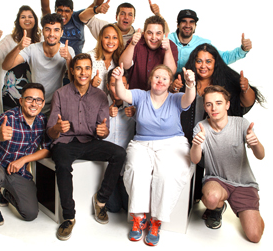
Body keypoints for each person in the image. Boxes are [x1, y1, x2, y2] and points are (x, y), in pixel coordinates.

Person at [112, 63, 196, 246]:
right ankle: (139, 217)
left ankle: (156, 221)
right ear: (150, 80)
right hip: (142, 142)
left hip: (172, 143)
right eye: (157, 77)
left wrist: (190, 84)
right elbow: (122, 94)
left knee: (166, 175)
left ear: (170, 82)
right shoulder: (141, 96)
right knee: (135, 169)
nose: (160, 80)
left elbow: (189, 99)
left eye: (164, 78)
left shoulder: (176, 99)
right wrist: (118, 79)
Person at [46, 53, 126, 241]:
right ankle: (68, 217)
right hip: (65, 143)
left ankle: (101, 200)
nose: (83, 72)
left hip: (90, 142)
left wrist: (103, 131)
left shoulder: (100, 96)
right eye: (79, 68)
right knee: (63, 165)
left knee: (119, 153)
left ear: (91, 71)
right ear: (72, 71)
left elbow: (104, 130)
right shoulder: (60, 94)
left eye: (87, 68)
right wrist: (57, 128)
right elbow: (50, 132)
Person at [171, 43, 265, 202]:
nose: (203, 66)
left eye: (208, 61)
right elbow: (170, 104)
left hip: (215, 141)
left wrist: (245, 88)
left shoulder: (226, 79)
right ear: (193, 62)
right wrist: (174, 88)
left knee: (212, 185)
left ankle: (217, 204)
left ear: (216, 62)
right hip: (189, 139)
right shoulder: (185, 78)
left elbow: (246, 102)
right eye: (199, 61)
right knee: (191, 195)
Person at [190, 85, 265, 243]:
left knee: (254, 237)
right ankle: (217, 208)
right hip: (217, 181)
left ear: (227, 105)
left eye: (218, 103)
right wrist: (196, 145)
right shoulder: (201, 127)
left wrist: (255, 143)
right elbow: (195, 160)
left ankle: (251, 214)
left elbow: (261, 156)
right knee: (211, 198)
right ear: (205, 107)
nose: (214, 108)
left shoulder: (241, 124)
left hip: (244, 184)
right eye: (209, 104)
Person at [0, 83, 51, 226]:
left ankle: (5, 193)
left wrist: (24, 160)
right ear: (21, 101)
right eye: (29, 99)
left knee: (30, 214)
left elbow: (48, 149)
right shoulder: (7, 118)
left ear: (42, 103)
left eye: (38, 100)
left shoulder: (42, 121)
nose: (34, 104)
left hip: (19, 172)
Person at [2, 13, 75, 116]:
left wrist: (68, 59)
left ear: (62, 32)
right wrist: (19, 47)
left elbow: (74, 82)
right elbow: (6, 66)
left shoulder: (68, 51)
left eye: (56, 30)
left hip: (55, 106)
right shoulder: (32, 49)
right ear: (43, 31)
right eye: (48, 29)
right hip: (33, 104)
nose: (51, 34)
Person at [0, 5, 41, 118]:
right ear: (18, 21)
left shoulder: (41, 41)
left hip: (32, 94)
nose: (27, 19)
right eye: (23, 17)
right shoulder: (10, 40)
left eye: (30, 16)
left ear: (35, 20)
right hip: (11, 92)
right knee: (10, 126)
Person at [38, 0, 113, 55]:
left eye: (67, 11)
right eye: (60, 10)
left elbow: (95, 5)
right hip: (55, 61)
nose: (63, 14)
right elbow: (45, 7)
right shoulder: (52, 20)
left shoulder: (78, 17)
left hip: (76, 61)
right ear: (55, 10)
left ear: (72, 11)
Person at [168, 9, 252, 73]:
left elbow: (223, 58)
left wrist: (242, 50)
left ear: (195, 26)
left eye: (191, 22)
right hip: (163, 86)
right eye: (184, 21)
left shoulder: (203, 44)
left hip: (191, 87)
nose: (187, 25)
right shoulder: (166, 39)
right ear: (178, 25)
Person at [104, 68, 135, 213]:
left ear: (127, 87)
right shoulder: (100, 106)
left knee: (127, 205)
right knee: (114, 207)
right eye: (113, 84)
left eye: (121, 84)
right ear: (107, 86)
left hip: (125, 168)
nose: (117, 88)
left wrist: (137, 115)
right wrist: (105, 114)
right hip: (106, 167)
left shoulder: (134, 107)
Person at [119, 15, 178, 90]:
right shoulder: (135, 41)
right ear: (144, 33)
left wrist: (167, 50)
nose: (153, 37)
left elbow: (170, 72)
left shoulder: (171, 46)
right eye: (150, 33)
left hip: (160, 96)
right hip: (134, 95)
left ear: (163, 34)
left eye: (158, 33)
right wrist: (132, 44)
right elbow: (124, 65)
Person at [79, 0, 169, 46]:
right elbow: (82, 17)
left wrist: (158, 14)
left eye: (130, 15)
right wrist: (96, 10)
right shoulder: (105, 28)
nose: (126, 17)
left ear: (134, 19)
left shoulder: (138, 34)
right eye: (122, 14)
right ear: (116, 17)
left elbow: (165, 32)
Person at [87, 23, 125, 93]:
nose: (110, 41)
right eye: (107, 37)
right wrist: (90, 84)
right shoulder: (89, 57)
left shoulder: (119, 61)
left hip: (110, 103)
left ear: (119, 40)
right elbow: (76, 83)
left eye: (115, 37)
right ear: (101, 39)